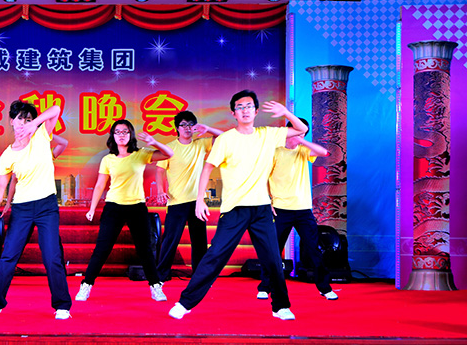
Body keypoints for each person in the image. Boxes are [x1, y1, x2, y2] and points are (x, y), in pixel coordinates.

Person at [169, 90, 307, 321]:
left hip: (261, 209)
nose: (245, 110)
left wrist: (285, 112)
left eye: (249, 106)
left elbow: (300, 129)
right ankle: (185, 303)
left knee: (273, 259)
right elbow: (208, 167)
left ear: (256, 110)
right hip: (234, 209)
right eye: (240, 107)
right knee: (215, 255)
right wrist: (200, 199)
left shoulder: (268, 134)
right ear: (234, 113)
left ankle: (281, 306)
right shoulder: (226, 139)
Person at [0, 101, 71, 319]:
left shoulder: (42, 135)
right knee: (8, 256)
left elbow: (56, 109)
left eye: (28, 119)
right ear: (12, 121)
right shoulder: (7, 155)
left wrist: (35, 124)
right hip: (22, 209)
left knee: (52, 256)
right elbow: (1, 186)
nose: (24, 123)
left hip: (46, 206)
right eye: (20, 118)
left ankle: (62, 306)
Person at [76, 119, 174, 303]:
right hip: (114, 207)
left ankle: (155, 286)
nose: (121, 135)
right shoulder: (108, 159)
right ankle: (86, 285)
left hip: (137, 206)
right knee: (102, 248)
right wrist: (92, 208)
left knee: (145, 249)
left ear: (131, 135)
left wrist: (154, 142)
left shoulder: (141, 154)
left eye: (125, 132)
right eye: (118, 132)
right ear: (113, 136)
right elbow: (100, 185)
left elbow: (169, 154)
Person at [258, 117, 338, 300]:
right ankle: (265, 286)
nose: (300, 135)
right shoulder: (275, 151)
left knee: (314, 249)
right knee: (273, 249)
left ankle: (325, 288)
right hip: (280, 208)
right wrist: (268, 201)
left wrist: (301, 140)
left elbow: (324, 152)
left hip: (303, 209)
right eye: (297, 131)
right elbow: (263, 178)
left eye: (303, 132)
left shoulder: (304, 149)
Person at [154, 110, 222, 283]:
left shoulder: (201, 144)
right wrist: (160, 190)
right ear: (177, 128)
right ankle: (161, 276)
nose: (187, 128)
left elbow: (224, 138)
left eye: (191, 125)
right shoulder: (169, 148)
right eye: (183, 125)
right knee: (170, 240)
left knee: (199, 241)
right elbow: (160, 170)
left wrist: (208, 129)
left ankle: (199, 277)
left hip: (197, 202)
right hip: (176, 201)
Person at [2, 132, 69, 267]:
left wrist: (47, 133)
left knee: (53, 247)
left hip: (45, 204)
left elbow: (63, 143)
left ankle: (59, 272)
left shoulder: (44, 152)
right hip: (24, 205)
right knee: (15, 245)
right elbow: (14, 180)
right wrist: (8, 202)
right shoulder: (19, 154)